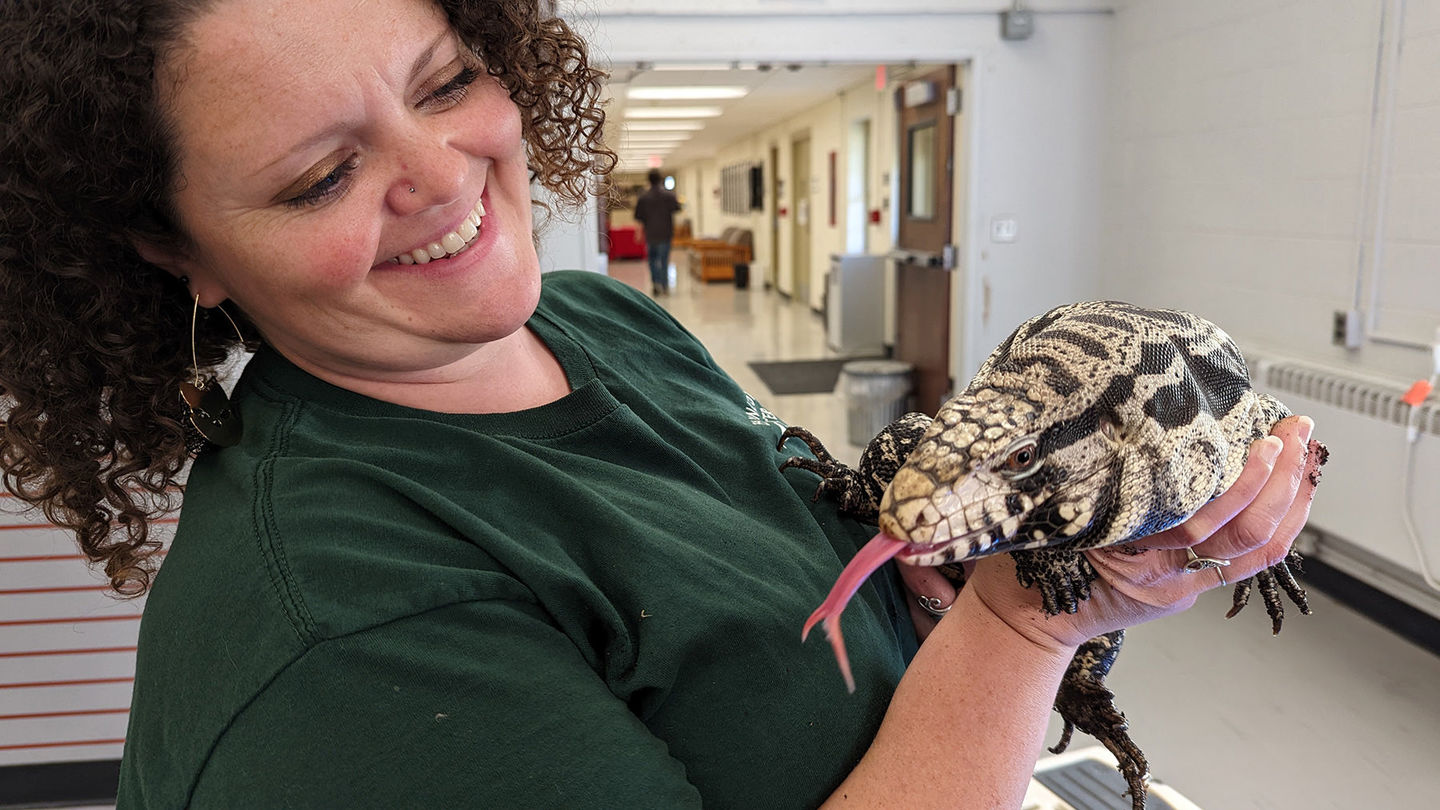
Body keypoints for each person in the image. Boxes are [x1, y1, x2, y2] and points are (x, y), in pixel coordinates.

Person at [0, 1, 1321, 807]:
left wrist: (940, 577)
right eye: (317, 176)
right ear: (171, 245)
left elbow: (778, 604)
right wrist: (1038, 617)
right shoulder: (350, 622)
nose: (441, 173)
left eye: (447, 82)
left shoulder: (595, 320)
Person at [633, 167, 683, 295]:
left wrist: (638, 233)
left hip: (651, 234)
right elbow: (677, 208)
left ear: (648, 180)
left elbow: (639, 217)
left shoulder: (643, 197)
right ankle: (664, 285)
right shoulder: (669, 195)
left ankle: (656, 283)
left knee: (652, 260)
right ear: (660, 179)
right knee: (664, 260)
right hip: (665, 233)